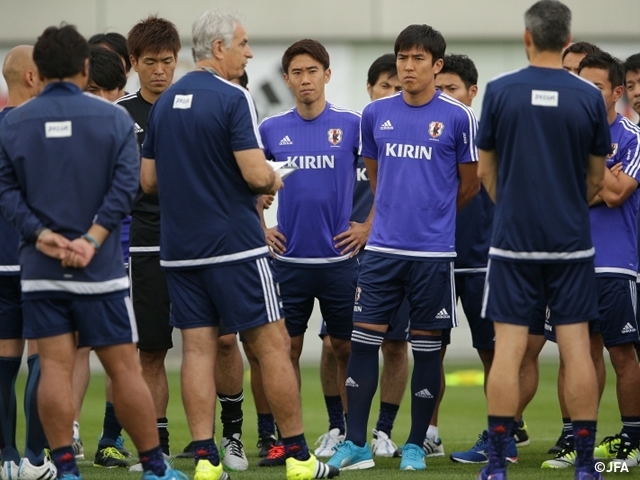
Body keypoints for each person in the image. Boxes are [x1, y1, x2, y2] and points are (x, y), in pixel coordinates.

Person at [139, 10, 338, 480]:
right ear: (219, 48)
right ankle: (299, 458)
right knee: (272, 346)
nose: (248, 53)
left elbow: (148, 181)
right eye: (243, 44)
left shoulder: (164, 103)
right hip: (235, 247)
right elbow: (253, 173)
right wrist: (272, 177)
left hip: (180, 251)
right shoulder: (234, 96)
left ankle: (206, 462)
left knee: (197, 351)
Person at [0, 24, 187, 480]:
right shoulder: (114, 118)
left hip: (41, 268)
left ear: (39, 71)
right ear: (86, 68)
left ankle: (64, 469)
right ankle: (154, 468)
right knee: (123, 369)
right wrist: (93, 239)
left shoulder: (14, 121)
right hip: (99, 268)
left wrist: (42, 235)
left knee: (55, 368)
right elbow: (128, 186)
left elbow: (6, 191)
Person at [328, 23, 480, 471]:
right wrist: (392, 216)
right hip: (382, 252)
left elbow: (469, 184)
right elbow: (375, 176)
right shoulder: (375, 114)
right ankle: (356, 442)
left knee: (427, 347)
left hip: (433, 255)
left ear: (436, 65)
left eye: (417, 59)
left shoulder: (458, 116)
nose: (408, 67)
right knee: (362, 343)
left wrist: (432, 215)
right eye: (401, 57)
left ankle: (415, 443)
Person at [475, 1, 611, 479]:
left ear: (527, 38)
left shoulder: (499, 92)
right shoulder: (589, 98)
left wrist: (514, 206)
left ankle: (495, 464)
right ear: (567, 40)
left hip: (512, 244)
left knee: (509, 350)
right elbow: (597, 179)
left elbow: (486, 173)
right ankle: (585, 466)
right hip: (571, 243)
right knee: (576, 349)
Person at [257, 38, 361, 463]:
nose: (305, 79)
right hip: (288, 263)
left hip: (340, 261)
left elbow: (385, 178)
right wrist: (260, 227)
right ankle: (283, 440)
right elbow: (250, 187)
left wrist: (368, 227)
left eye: (312, 71)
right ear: (286, 79)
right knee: (283, 351)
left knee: (345, 348)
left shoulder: (353, 124)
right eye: (297, 72)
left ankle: (346, 434)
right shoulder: (271, 128)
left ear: (327, 75)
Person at [542, 51, 640, 470]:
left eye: (596, 86)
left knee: (622, 355)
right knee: (578, 355)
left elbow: (619, 194)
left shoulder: (633, 136)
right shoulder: (566, 135)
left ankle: (633, 438)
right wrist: (603, 177)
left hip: (616, 263)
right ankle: (579, 440)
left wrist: (588, 182)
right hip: (571, 262)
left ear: (617, 92)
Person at [94, 16, 180, 470]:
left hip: (199, 245)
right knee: (150, 352)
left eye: (167, 61)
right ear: (133, 64)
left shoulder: (193, 109)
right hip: (143, 247)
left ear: (177, 60)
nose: (160, 71)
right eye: (150, 62)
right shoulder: (118, 115)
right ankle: (158, 447)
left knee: (219, 343)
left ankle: (223, 441)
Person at [314, 53, 408, 460]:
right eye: (384, 85)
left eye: (397, 87)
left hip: (393, 251)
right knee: (336, 346)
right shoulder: (349, 131)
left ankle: (382, 431)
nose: (390, 93)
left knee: (395, 345)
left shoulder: (408, 138)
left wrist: (372, 228)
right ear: (370, 89)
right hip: (342, 256)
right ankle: (339, 426)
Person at [0, 44, 56, 480]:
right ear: (33, 78)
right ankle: (36, 460)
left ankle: (7, 458)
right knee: (43, 358)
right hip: (37, 262)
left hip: (0, 266)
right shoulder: (44, 129)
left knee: (3, 361)